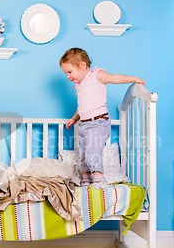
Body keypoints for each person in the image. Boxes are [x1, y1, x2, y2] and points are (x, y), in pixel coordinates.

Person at [59, 47, 145, 186]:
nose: (68, 76)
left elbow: (115, 78)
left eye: (69, 72)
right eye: (66, 74)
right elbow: (82, 107)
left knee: (92, 151)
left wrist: (134, 79)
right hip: (84, 124)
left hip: (98, 122)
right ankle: (86, 178)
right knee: (83, 153)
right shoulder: (80, 85)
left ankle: (99, 178)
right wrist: (74, 118)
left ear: (82, 65)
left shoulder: (96, 76)